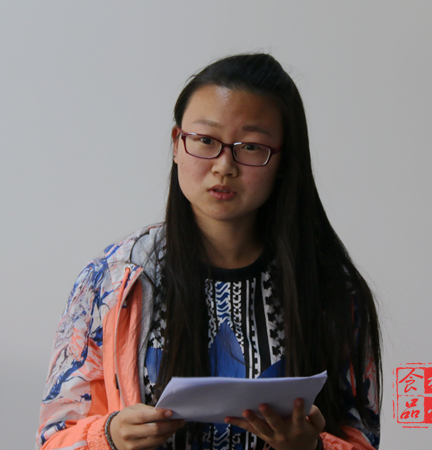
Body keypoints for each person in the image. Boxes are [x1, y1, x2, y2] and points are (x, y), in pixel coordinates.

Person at [36, 53, 382, 450]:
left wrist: (311, 447)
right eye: (205, 140)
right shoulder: (114, 280)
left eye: (250, 147)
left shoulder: (332, 290)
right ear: (176, 144)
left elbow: (363, 439)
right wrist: (108, 436)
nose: (224, 166)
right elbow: (54, 438)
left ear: (284, 159)